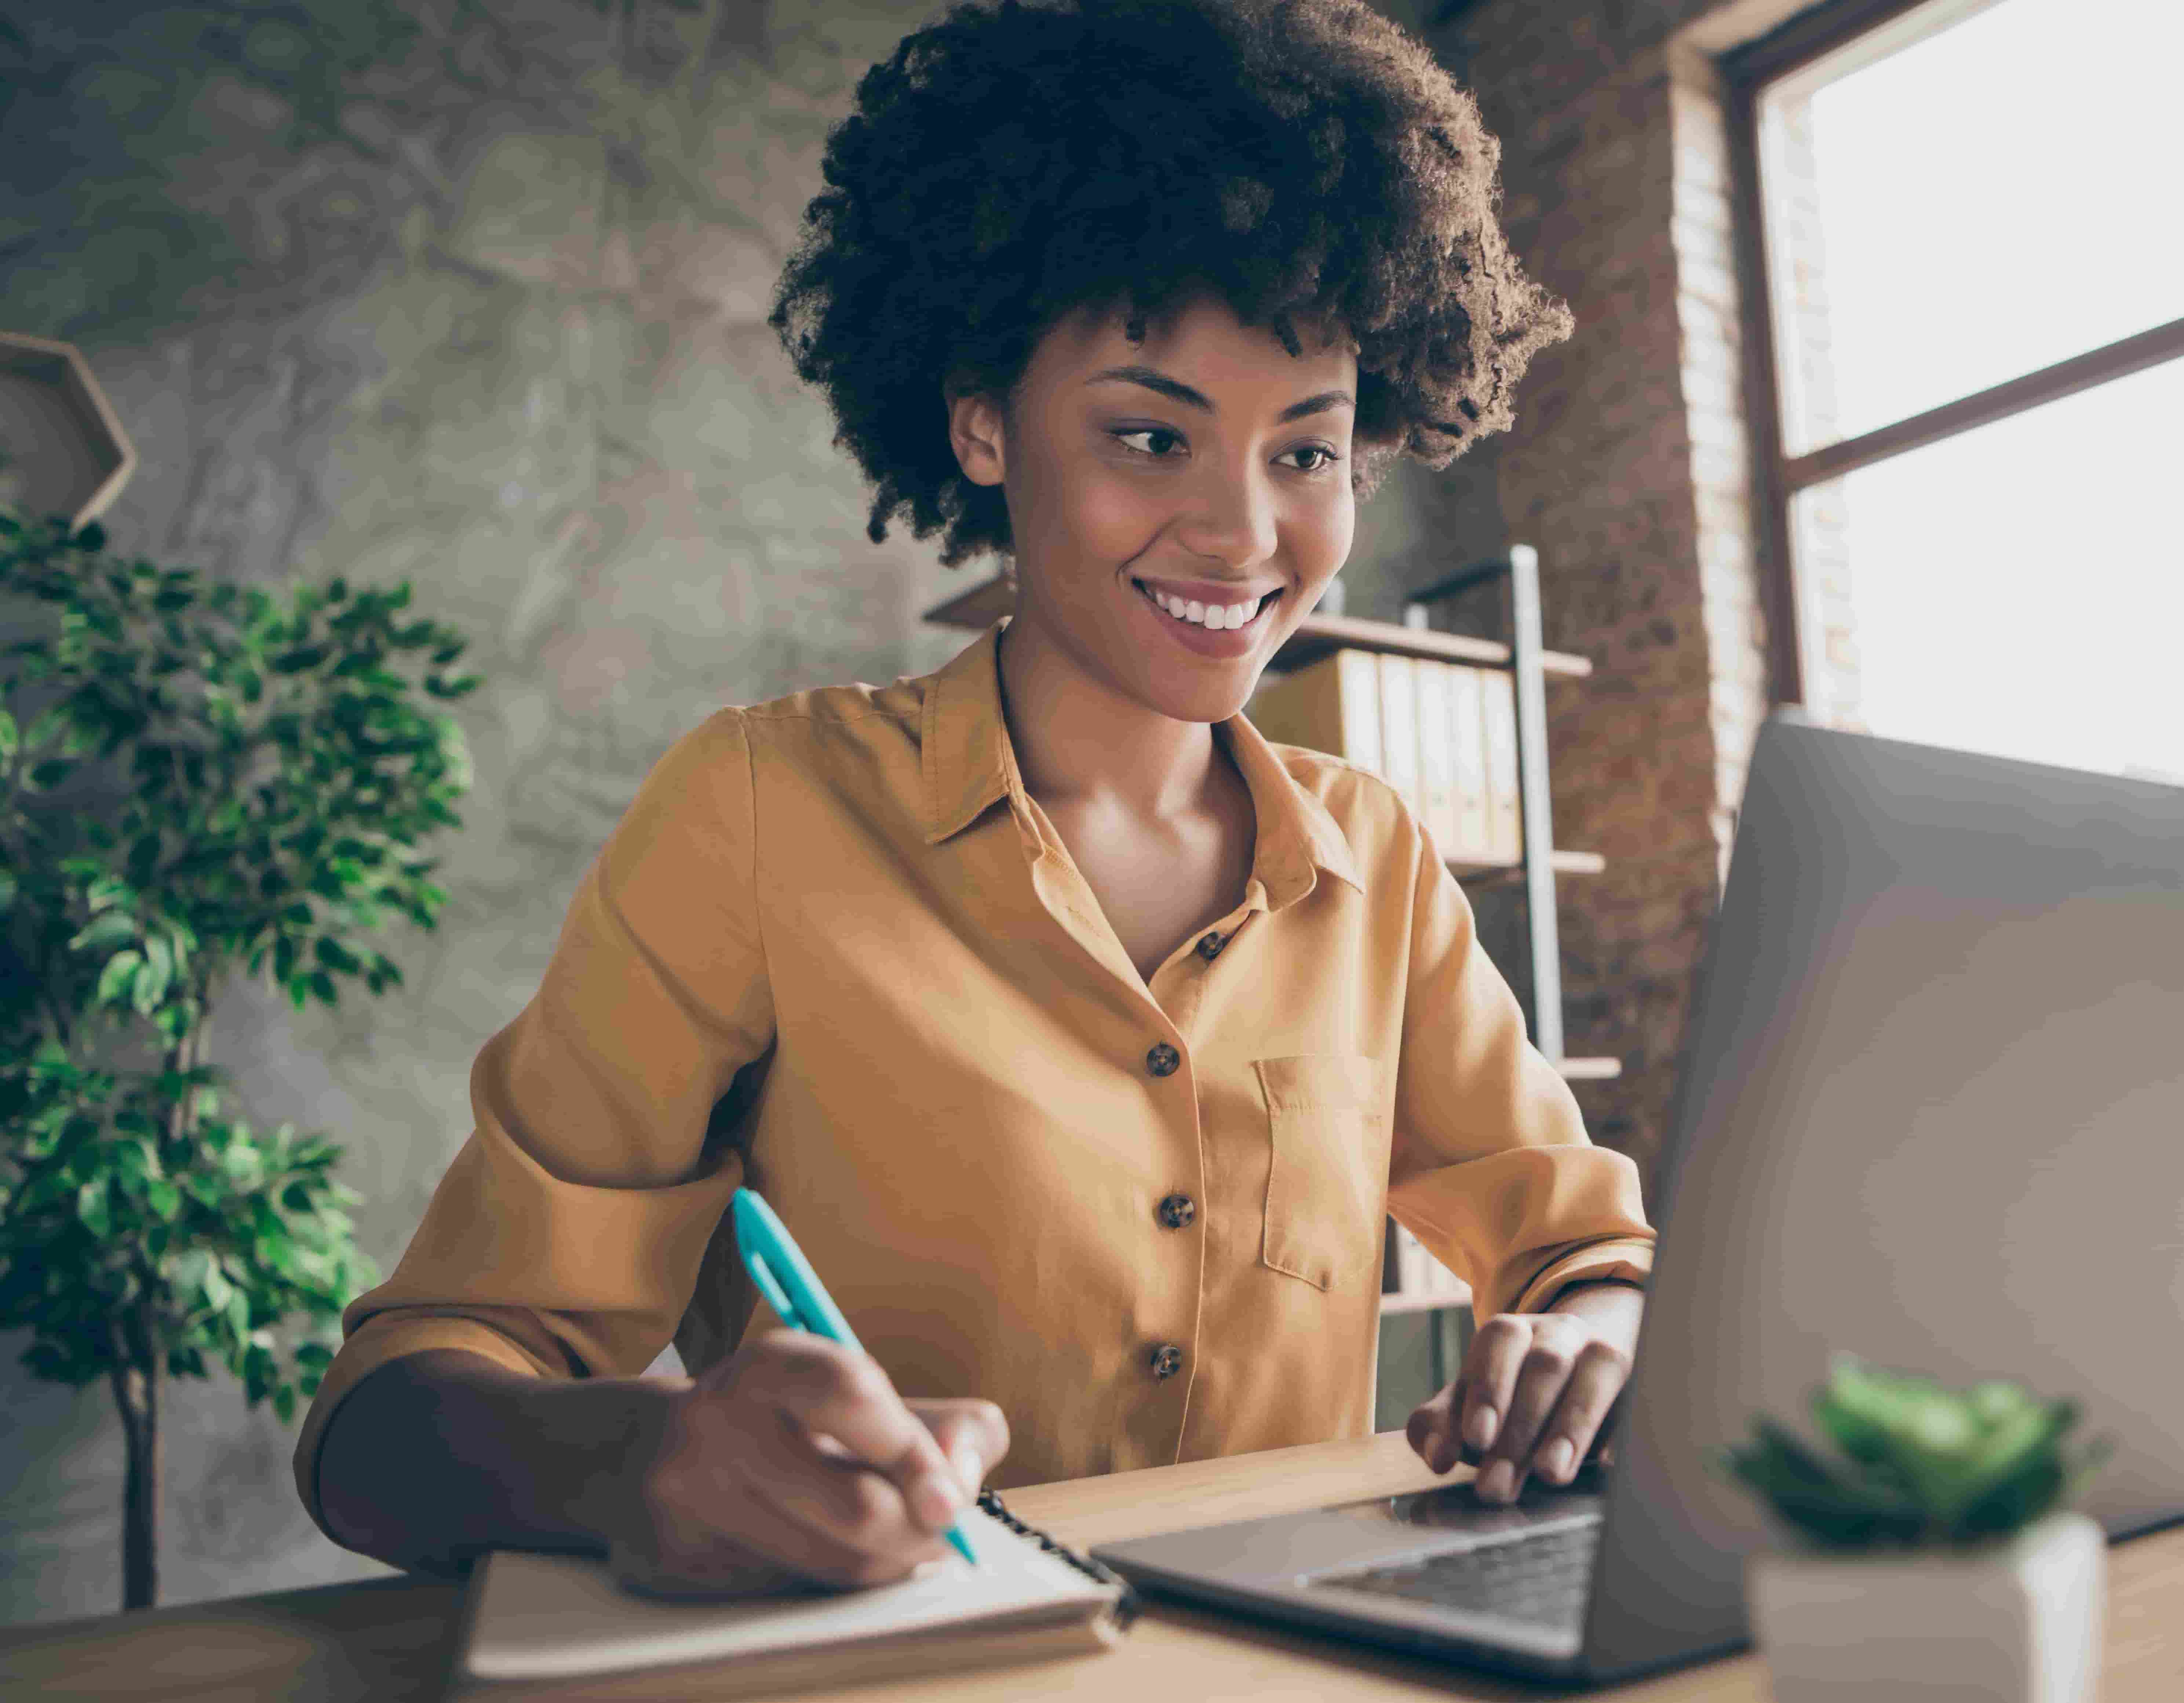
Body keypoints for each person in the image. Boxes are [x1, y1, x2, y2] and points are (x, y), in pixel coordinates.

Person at [297, 0, 1654, 1598]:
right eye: (1151, 434)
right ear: (984, 425)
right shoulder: (759, 814)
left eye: (1308, 453)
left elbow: (1583, 1252)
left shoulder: (1376, 863)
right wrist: (639, 1460)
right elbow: (383, 1430)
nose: (1242, 532)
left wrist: (1589, 1335)